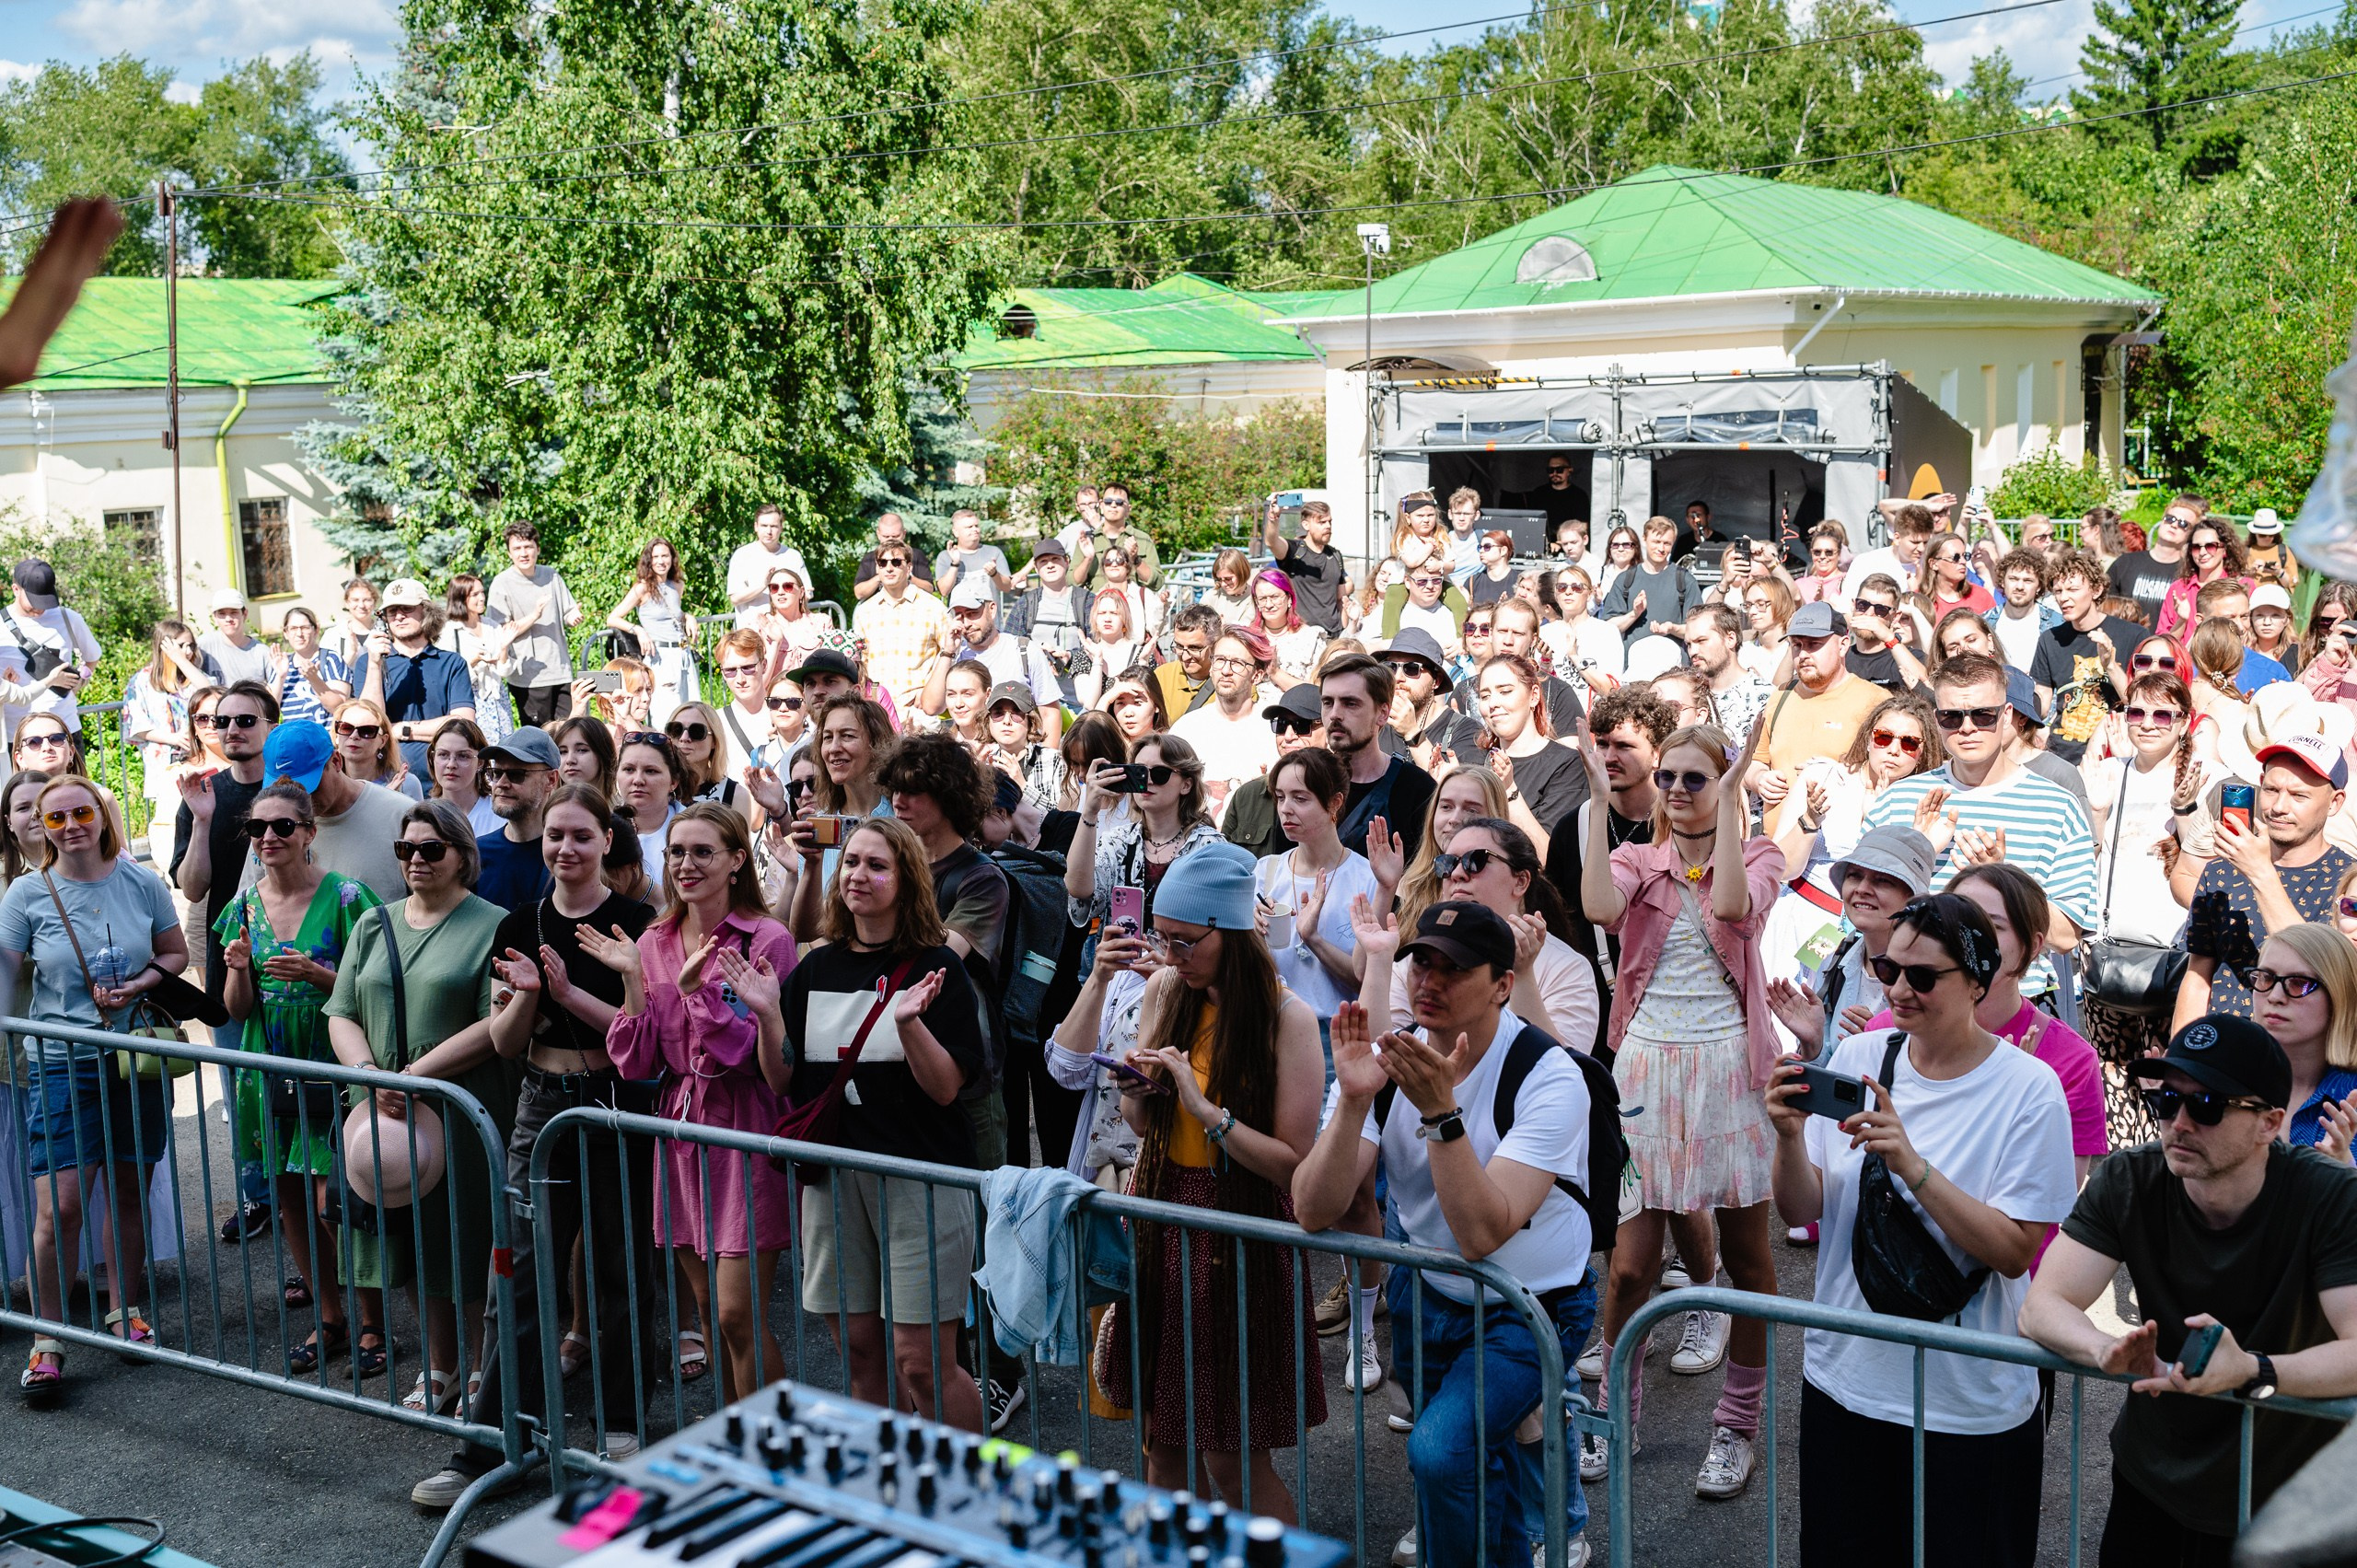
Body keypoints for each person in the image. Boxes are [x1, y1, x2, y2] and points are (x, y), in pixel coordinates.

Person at [1764, 893, 2076, 1568]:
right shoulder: (1861, 1057)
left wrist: (1912, 1164)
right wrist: (1788, 1140)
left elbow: (2016, 1249)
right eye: (1887, 968)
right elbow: (1800, 1209)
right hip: (1844, 1380)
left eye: (1923, 976)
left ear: (1978, 981)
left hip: (1967, 1404)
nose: (1900, 988)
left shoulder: (2030, 1089)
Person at [1295, 900, 1599, 1568]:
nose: (1428, 979)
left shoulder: (1549, 1074)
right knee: (1468, 1471)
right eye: (1421, 961)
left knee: (1439, 1451)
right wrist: (1350, 1101)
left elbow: (1482, 1232)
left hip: (1533, 1305)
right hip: (1429, 1296)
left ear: (1501, 984)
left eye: (1453, 967)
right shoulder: (1389, 1060)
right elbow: (1313, 1208)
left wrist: (1441, 1112)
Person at [2021, 1015, 2357, 1563]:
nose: (2179, 1123)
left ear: (2270, 1123)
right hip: (2153, 1485)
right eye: (2167, 1101)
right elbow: (2043, 1305)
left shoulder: (2329, 1196)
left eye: (2206, 1106)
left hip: (2282, 1501)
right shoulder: (2131, 1177)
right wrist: (2103, 1350)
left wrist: (2252, 1371)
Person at [409, 783, 660, 1508]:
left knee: (619, 1272)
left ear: (606, 841)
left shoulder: (637, 921)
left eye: (581, 835)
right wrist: (525, 992)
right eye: (556, 835)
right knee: (514, 1275)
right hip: (538, 1105)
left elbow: (639, 1042)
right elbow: (506, 1042)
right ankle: (490, 1441)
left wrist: (618, 977)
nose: (566, 848)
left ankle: (620, 1422)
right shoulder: (522, 920)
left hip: (612, 1107)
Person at [1577, 717, 1781, 1501]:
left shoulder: (1759, 853)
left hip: (1732, 1069)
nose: (1675, 792)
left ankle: (1736, 1424)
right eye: (1667, 778)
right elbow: (1599, 906)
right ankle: (1611, 1410)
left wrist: (1730, 811)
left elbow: (1731, 905)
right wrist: (1601, 802)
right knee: (1629, 1267)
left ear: (1725, 784)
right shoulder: (1637, 857)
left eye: (1695, 779)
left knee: (1750, 1262)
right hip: (1645, 1073)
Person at [1094, 842, 1324, 1517]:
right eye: (1162, 938)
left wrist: (1207, 1112)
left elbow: (1295, 1163)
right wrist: (1136, 1086)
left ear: (1228, 933)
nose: (1169, 955)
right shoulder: (1169, 989)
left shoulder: (1289, 1018)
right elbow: (1141, 1125)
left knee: (1232, 1459)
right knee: (1163, 1445)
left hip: (1239, 1237)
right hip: (1163, 1217)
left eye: (1184, 941)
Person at [754, 815, 987, 1426]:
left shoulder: (939, 965)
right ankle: (891, 1486)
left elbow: (945, 1089)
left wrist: (909, 1024)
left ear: (905, 880)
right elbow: (784, 1081)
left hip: (921, 1181)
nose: (858, 874)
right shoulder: (817, 966)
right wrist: (766, 1017)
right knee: (858, 1345)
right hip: (834, 1180)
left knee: (921, 1361)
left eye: (876, 864)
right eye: (852, 861)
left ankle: (969, 1495)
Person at [588, 802, 797, 1400]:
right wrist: (633, 982)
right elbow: (637, 1060)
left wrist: (696, 996)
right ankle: (735, 1446)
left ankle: (771, 1449)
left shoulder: (768, 938)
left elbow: (743, 1053)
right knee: (707, 1310)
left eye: (702, 851)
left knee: (738, 1313)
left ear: (737, 860)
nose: (685, 863)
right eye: (677, 851)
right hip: (679, 1130)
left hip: (743, 1127)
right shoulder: (655, 939)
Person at [5, 773, 190, 1403]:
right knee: (60, 1207)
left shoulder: (140, 879)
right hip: (61, 1060)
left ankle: (124, 1311)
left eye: (81, 811)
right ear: (43, 829)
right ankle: (47, 1339)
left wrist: (140, 984)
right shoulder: (27, 893)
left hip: (132, 1057)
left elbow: (175, 952)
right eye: (55, 819)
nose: (71, 825)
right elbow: (4, 976)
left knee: (129, 1189)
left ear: (102, 815)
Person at [322, 799, 507, 1418]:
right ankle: (440, 1363)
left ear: (462, 854)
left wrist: (416, 1075)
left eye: (432, 848)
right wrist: (370, 1076)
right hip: (382, 1109)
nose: (417, 860)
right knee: (407, 1238)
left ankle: (484, 1366)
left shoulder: (492, 924)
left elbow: (497, 1021)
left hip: (462, 1106)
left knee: (470, 1236)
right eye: (406, 849)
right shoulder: (373, 923)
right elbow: (341, 1010)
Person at [215, 780, 384, 1377]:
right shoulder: (241, 910)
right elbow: (238, 1011)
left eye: (283, 826)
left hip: (333, 1067)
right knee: (290, 1201)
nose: (268, 837)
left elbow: (372, 988)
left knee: (333, 1199)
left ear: (309, 832)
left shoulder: (346, 898)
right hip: (270, 1072)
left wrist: (316, 975)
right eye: (258, 828)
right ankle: (332, 1316)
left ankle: (371, 1321)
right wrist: (238, 971)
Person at [1861, 654, 2097, 995]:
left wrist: (2005, 883)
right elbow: (1861, 912)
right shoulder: (1898, 799)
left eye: (1983, 715)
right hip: (1911, 998)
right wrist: (1916, 853)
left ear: (2007, 716)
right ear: (1936, 719)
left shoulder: (2058, 807)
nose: (1967, 727)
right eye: (1951, 716)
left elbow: (2065, 936)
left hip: (2013, 1004)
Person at [1762, 695, 1944, 1043]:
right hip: (1805, 920)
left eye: (1909, 743)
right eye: (1883, 737)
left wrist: (1886, 813)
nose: (1893, 749)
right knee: (1782, 1030)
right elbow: (1783, 867)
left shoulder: (1920, 800)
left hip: (1871, 936)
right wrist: (1810, 820)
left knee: (1848, 1036)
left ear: (1924, 752)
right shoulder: (1825, 776)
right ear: (1867, 737)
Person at [2080, 673, 2215, 1134]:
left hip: (2174, 951)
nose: (2148, 723)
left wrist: (2186, 810)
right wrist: (2096, 813)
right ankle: (2124, 1183)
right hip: (2109, 945)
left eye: (2163, 714)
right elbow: (2086, 857)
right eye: (2137, 712)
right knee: (2112, 1081)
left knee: (2167, 1079)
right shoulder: (2109, 772)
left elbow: (2207, 862)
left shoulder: (2203, 778)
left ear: (2184, 722)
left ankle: (2165, 1177)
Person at [172, 679, 279, 1236]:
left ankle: (309, 1192)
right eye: (222, 722)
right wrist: (205, 819)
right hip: (228, 966)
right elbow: (192, 890)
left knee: (301, 1085)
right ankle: (257, 1195)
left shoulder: (292, 789)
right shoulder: (202, 794)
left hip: (295, 966)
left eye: (245, 720)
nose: (231, 731)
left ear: (269, 726)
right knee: (241, 1090)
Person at [1372, 814, 1599, 1055]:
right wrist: (1377, 959)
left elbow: (1562, 1073)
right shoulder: (1419, 957)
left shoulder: (1567, 968)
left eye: (1475, 860)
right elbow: (1381, 1053)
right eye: (1448, 863)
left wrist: (1523, 976)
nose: (1457, 873)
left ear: (1521, 881)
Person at [2174, 731, 2357, 1028]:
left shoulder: (2348, 882)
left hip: (2302, 1061)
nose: (2279, 807)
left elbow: (2321, 968)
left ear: (2335, 802)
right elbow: (2198, 977)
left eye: (2299, 796)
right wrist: (2182, 1059)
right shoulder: (2222, 871)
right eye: (2271, 790)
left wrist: (2261, 873)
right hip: (2222, 1054)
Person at [1252, 747, 1390, 1022]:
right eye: (1280, 798)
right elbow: (1244, 972)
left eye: (1300, 799)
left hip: (1337, 1035)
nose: (1285, 809)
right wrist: (1250, 935)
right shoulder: (1267, 871)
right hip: (1270, 1027)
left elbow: (1367, 979)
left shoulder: (1367, 877)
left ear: (1335, 803)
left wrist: (1312, 938)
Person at [1065, 732, 1225, 935]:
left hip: (1180, 964)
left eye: (1159, 774)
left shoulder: (1210, 847)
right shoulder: (1117, 841)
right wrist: (1089, 811)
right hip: (1118, 963)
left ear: (1186, 785)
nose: (1147, 781)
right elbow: (1077, 890)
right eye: (1139, 773)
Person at [1756, 602, 1887, 832]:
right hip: (1774, 850)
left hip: (1835, 853)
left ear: (1843, 645)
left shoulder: (1875, 701)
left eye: (1814, 644)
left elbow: (1889, 773)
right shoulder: (1781, 696)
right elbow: (1756, 761)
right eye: (1796, 645)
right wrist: (1759, 779)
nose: (1803, 654)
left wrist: (1837, 774)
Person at [780, 696, 897, 939]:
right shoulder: (819, 825)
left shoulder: (902, 816)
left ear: (876, 744)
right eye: (827, 738)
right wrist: (812, 865)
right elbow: (803, 932)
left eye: (847, 736)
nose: (833, 748)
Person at [261, 721, 412, 904]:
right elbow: (249, 907)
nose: (301, 799)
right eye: (285, 791)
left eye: (310, 786)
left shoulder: (400, 814)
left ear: (336, 761)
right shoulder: (269, 823)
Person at [2246, 923, 2357, 1153]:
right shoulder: (2224, 1077)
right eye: (2265, 978)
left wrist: (2343, 1175)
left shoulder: (2352, 1095)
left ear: (2339, 994)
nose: (2275, 997)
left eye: (2299, 983)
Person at [1319, 653, 1439, 863]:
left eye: (1350, 703)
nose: (1335, 714)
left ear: (1383, 713)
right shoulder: (1307, 783)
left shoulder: (1416, 790)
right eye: (1328, 702)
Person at [355, 578, 478, 775]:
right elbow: (369, 724)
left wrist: (401, 729)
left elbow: (464, 724)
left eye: (406, 608)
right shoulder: (368, 663)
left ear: (426, 611)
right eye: (392, 611)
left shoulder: (452, 663)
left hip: (442, 780)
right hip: (386, 778)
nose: (399, 616)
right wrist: (374, 664)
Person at [1474, 655, 1585, 856]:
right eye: (1485, 696)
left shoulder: (1567, 764)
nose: (1493, 703)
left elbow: (1549, 860)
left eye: (1505, 691)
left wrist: (1509, 791)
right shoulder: (1476, 763)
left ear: (1534, 695)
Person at [935, 578, 1062, 742]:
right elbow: (932, 707)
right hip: (968, 759)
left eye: (973, 613)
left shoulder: (1024, 650)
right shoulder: (953, 655)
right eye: (960, 615)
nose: (966, 623)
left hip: (1018, 758)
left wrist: (1046, 763)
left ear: (992, 609)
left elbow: (1050, 713)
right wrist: (948, 653)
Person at [122, 621, 206, 865]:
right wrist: (171, 738)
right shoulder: (142, 680)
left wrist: (182, 661)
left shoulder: (192, 677)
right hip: (164, 762)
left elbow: (211, 692)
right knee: (170, 821)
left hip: (197, 760)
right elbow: (136, 723)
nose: (188, 651)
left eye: (191, 645)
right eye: (181, 645)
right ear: (164, 646)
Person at [1170, 630, 1280, 811]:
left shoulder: (1275, 729)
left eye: (1237, 663)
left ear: (1257, 675)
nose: (1226, 671)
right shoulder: (1186, 729)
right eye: (1220, 660)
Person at [0, 557, 99, 743]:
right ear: (16, 590)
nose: (40, 608)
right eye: (34, 601)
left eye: (45, 601)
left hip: (64, 728)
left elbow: (92, 656)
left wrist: (81, 682)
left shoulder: (68, 618)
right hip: (17, 734)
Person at [852, 537, 952, 717]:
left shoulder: (933, 607)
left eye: (896, 562)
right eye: (883, 563)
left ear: (909, 567)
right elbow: (861, 662)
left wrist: (930, 691)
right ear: (877, 568)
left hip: (918, 709)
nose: (889, 568)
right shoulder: (864, 612)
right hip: (876, 709)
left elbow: (950, 653)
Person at [607, 536, 700, 720]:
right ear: (649, 560)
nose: (660, 561)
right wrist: (638, 630)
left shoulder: (677, 586)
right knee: (667, 714)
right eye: (656, 557)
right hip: (660, 656)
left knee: (692, 709)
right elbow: (613, 618)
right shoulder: (642, 588)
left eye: (665, 556)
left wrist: (689, 617)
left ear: (672, 558)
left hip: (683, 654)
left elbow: (675, 615)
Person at [474, 728, 561, 912]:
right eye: (496, 773)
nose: (502, 784)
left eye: (517, 774)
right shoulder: (476, 854)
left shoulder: (566, 855)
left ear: (551, 779)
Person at [1004, 536, 1091, 706]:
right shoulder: (1025, 604)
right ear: (1036, 568)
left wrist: (1070, 657)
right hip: (1038, 702)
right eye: (1043, 561)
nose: (1050, 565)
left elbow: (1101, 646)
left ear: (1066, 562)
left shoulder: (1087, 601)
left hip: (1081, 701)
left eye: (1055, 559)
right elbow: (1008, 647)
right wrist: (1036, 654)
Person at [438, 575, 520, 748]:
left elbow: (505, 671)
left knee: (502, 752)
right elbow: (446, 676)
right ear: (460, 597)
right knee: (475, 750)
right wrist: (474, 661)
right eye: (474, 594)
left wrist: (504, 647)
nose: (482, 598)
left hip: (498, 701)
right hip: (470, 700)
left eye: (482, 592)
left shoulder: (492, 626)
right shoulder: (450, 631)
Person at [1599, 516, 1703, 646]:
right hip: (1634, 663)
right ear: (1644, 539)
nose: (1661, 548)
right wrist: (1635, 613)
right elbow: (1609, 627)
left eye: (1667, 543)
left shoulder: (1685, 580)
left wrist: (1672, 628)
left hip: (1674, 663)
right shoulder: (1625, 579)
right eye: (1656, 542)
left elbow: (1697, 629)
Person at [1685, 605, 1775, 741]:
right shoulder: (1687, 695)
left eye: (1701, 641)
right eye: (1689, 644)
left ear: (1730, 639)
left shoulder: (1766, 696)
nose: (1693, 651)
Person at [2156, 516, 2252, 644]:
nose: (2202, 552)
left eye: (2210, 546)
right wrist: (2182, 620)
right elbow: (2163, 643)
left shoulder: (2243, 586)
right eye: (2196, 547)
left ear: (2224, 549)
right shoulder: (2178, 589)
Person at [614, 730, 688, 893]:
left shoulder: (696, 828)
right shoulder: (601, 827)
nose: (638, 780)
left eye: (651, 771)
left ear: (673, 781)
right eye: (629, 769)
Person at [1265, 499, 1350, 635]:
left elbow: (1340, 598)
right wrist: (1273, 518)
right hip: (1302, 636)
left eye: (1330, 521)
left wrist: (1345, 633)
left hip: (1334, 636)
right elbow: (1272, 542)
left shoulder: (1335, 555)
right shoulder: (1294, 552)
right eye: (1321, 522)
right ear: (1306, 525)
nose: (1328, 526)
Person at [727, 501, 818, 625]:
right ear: (756, 527)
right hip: (753, 634)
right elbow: (735, 598)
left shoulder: (793, 556)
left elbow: (806, 592)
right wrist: (763, 585)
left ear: (781, 527)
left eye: (773, 526)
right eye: (764, 526)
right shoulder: (742, 556)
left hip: (790, 631)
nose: (769, 531)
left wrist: (804, 594)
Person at [984, 682, 1064, 812]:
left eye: (1016, 713)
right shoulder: (983, 761)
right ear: (988, 721)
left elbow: (1063, 818)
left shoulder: (1054, 759)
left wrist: (1023, 786)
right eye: (998, 713)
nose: (1006, 721)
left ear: (1030, 721)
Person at [271, 606, 353, 728]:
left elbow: (338, 707)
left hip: (325, 741)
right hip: (292, 742)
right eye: (293, 628)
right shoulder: (282, 663)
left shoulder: (330, 659)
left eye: (305, 628)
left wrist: (314, 679)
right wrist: (280, 677)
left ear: (316, 629)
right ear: (286, 633)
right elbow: (268, 710)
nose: (299, 634)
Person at [1840, 504, 1933, 609]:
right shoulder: (1866, 562)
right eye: (1915, 542)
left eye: (1925, 542)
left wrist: (1918, 590)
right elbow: (1846, 607)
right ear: (1897, 538)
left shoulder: (1932, 566)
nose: (1922, 549)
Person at [1248, 569, 1329, 686]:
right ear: (1256, 602)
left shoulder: (1310, 638)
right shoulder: (1247, 637)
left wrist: (1275, 673)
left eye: (1275, 597)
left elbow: (1317, 689)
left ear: (1289, 598)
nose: (1269, 605)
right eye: (1263, 599)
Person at [331, 697, 421, 800]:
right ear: (336, 736)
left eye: (367, 731)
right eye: (346, 728)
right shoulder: (326, 783)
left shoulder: (405, 784)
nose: (354, 736)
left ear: (383, 741)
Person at [667, 701, 747, 813]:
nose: (684, 738)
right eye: (676, 730)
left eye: (697, 731)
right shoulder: (654, 785)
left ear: (714, 741)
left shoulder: (735, 794)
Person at [1080, 482, 1163, 591]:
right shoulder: (1088, 540)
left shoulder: (1142, 539)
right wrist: (1088, 559)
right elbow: (1071, 582)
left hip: (1131, 606)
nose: (1113, 505)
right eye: (1108, 502)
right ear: (1101, 505)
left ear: (1128, 509)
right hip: (1098, 605)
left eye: (1119, 503)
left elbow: (1157, 583)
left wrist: (1136, 560)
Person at [424, 719, 498, 837]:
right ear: (433, 757)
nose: (451, 764)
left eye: (463, 756)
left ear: (480, 762)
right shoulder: (423, 816)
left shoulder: (499, 815)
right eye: (443, 755)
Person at [199, 587, 273, 687]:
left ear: (245, 614)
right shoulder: (203, 646)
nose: (228, 619)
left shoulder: (262, 653)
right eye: (222, 614)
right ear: (214, 617)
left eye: (234, 612)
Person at [936, 508, 1015, 599]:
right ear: (956, 532)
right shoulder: (945, 556)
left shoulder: (993, 552)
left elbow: (1007, 588)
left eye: (976, 526)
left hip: (989, 613)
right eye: (969, 527)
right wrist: (955, 564)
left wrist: (994, 574)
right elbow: (943, 591)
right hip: (960, 614)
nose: (975, 530)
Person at [1922, 531, 1994, 618]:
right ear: (1934, 563)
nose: (1963, 562)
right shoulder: (1918, 600)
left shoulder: (1981, 597)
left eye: (1965, 556)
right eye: (1955, 558)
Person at [551, 714, 618, 801]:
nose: (570, 760)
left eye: (581, 750)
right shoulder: (546, 812)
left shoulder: (624, 811)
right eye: (562, 752)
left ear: (603, 754)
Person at [321, 577, 377, 671]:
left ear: (375, 603)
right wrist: (351, 655)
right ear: (347, 603)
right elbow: (327, 675)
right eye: (355, 600)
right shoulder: (332, 636)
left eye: (367, 600)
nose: (361, 605)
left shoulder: (386, 632)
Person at [2253, 582, 2301, 674]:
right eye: (2260, 615)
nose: (2267, 623)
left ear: (2288, 619)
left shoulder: (2297, 655)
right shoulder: (2238, 651)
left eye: (2275, 616)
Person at [1793, 528, 1846, 605]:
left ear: (1839, 554)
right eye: (1817, 552)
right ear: (1811, 553)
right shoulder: (1799, 584)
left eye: (1829, 552)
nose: (1822, 556)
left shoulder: (1847, 581)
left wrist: (1823, 600)